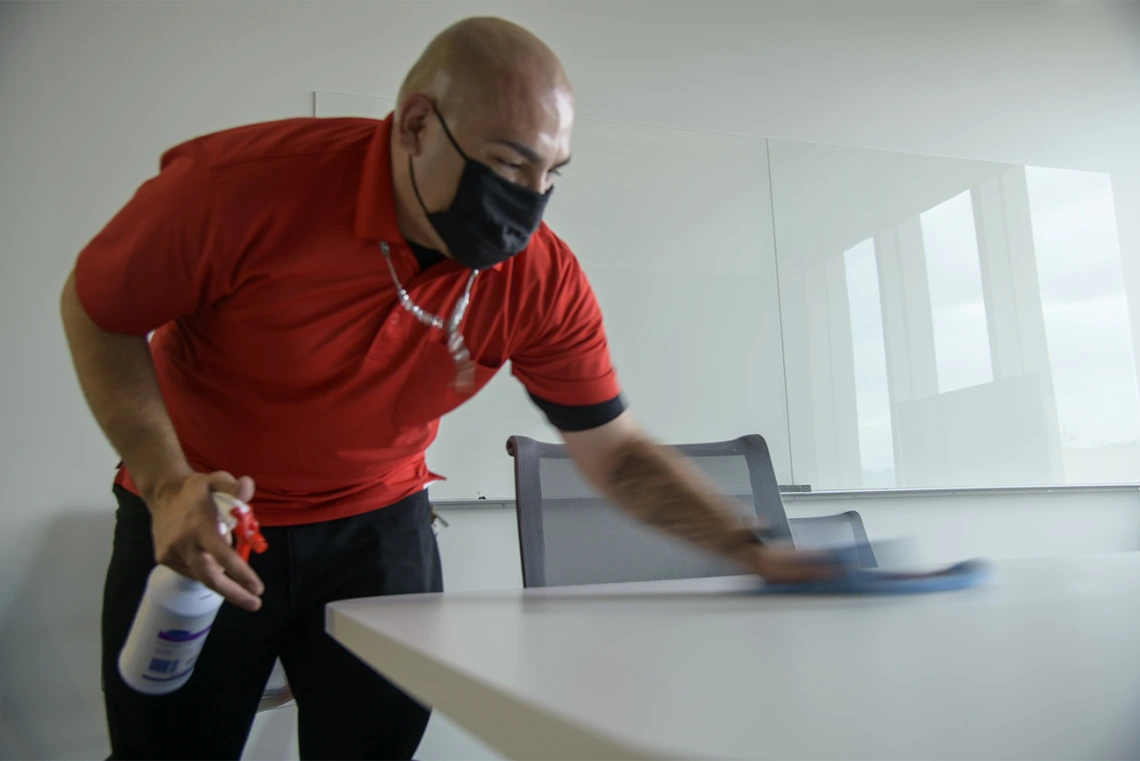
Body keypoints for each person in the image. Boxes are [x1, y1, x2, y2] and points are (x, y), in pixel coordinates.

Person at [60, 16, 832, 761]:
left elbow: (616, 452)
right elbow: (98, 311)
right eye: (507, 164)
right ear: (417, 123)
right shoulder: (241, 189)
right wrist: (165, 483)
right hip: (204, 514)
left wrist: (748, 547)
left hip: (377, 530)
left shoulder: (539, 278)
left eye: (550, 174)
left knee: (375, 747)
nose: (529, 200)